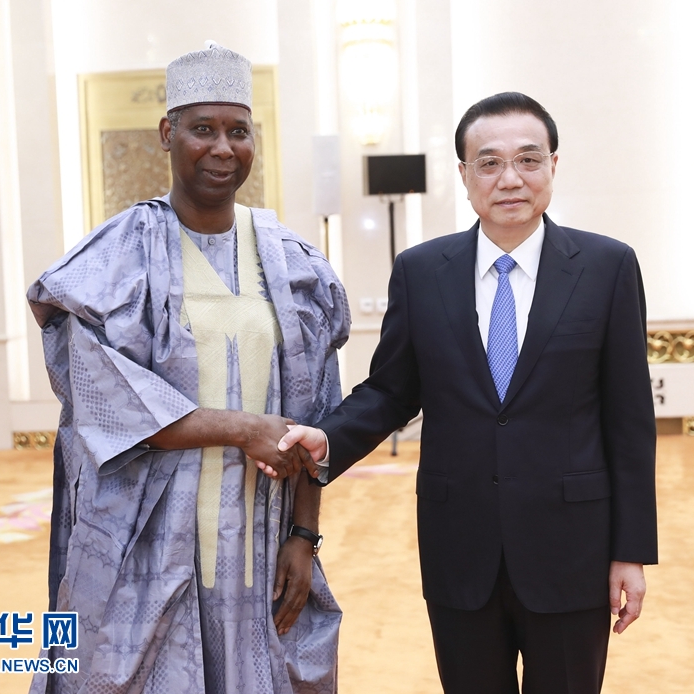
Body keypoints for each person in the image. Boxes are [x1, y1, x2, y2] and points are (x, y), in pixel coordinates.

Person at [278, 92, 658, 694]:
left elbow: (629, 421)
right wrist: (330, 437)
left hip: (572, 550)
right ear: (464, 175)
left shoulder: (607, 267)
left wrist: (629, 552)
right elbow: (392, 389)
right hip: (460, 548)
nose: (510, 178)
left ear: (553, 165)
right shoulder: (421, 271)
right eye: (489, 163)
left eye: (528, 159)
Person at [26, 42, 349, 694]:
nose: (223, 148)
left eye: (238, 131)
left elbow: (318, 414)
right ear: (167, 133)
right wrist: (241, 428)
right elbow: (102, 395)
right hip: (149, 543)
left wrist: (303, 534)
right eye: (203, 129)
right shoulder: (121, 255)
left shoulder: (292, 263)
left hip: (261, 544)